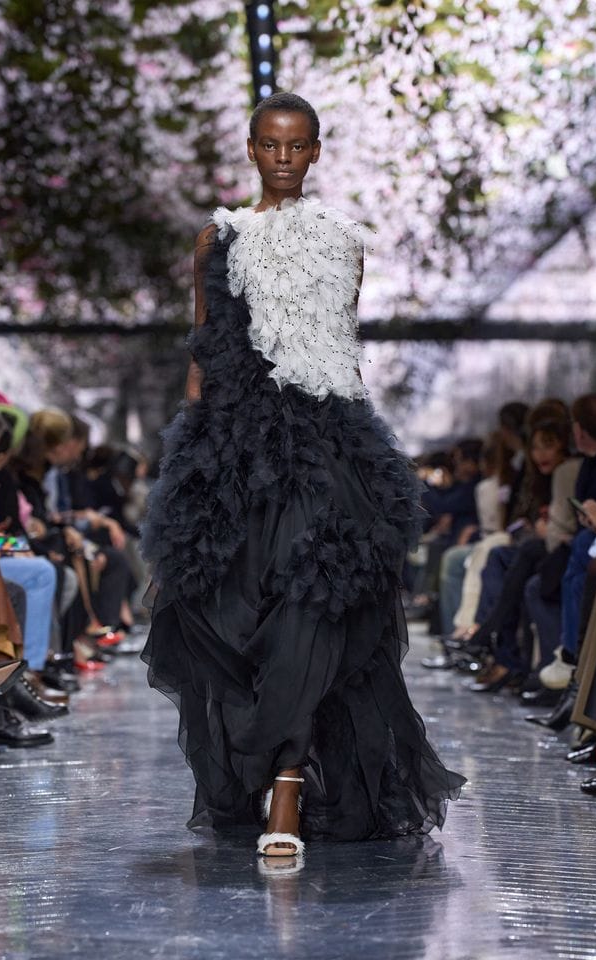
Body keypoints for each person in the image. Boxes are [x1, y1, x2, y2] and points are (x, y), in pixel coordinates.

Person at [141, 92, 465, 858]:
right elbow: (204, 351)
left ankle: (286, 789)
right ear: (251, 149)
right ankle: (265, 770)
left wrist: (359, 453)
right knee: (226, 611)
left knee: (313, 609)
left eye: (297, 146)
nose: (283, 158)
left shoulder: (343, 242)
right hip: (233, 448)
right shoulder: (216, 241)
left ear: (316, 151)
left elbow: (339, 348)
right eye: (270, 145)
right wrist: (189, 456)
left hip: (323, 442)